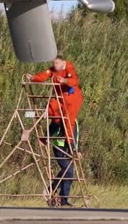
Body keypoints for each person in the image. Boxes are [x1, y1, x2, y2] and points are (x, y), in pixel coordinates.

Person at [26, 56, 84, 207]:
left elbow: (75, 134)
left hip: (67, 144)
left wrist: (76, 149)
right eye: (54, 63)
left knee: (68, 171)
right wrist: (32, 78)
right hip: (59, 146)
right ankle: (57, 194)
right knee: (68, 171)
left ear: (63, 63)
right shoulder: (57, 118)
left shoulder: (69, 69)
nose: (55, 65)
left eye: (58, 63)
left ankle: (61, 197)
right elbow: (43, 75)